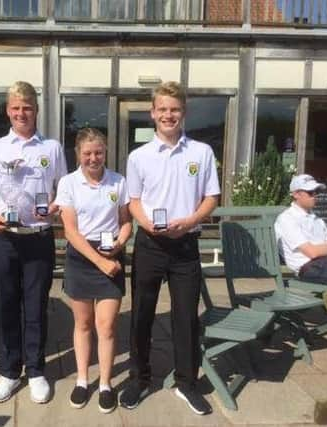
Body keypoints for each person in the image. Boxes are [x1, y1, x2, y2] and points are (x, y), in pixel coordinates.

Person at [121, 81, 219, 415]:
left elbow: (212, 198)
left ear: (183, 113)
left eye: (174, 109)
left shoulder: (201, 153)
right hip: (149, 243)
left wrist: (190, 221)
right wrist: (145, 223)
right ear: (152, 113)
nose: (168, 115)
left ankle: (186, 383)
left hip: (185, 245)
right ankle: (139, 379)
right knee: (141, 316)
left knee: (185, 317)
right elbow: (133, 201)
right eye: (162, 109)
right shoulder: (139, 156)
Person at [0, 81, 67, 404]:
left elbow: (64, 189)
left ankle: (36, 371)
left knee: (36, 308)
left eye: (27, 107)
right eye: (15, 108)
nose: (21, 113)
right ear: (7, 111)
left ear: (36, 110)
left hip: (39, 239)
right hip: (3, 239)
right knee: (5, 306)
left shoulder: (52, 149)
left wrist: (55, 207)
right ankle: (9, 371)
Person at [55, 128, 132, 413]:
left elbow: (126, 223)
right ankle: (83, 380)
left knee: (107, 326)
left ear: (105, 151)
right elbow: (70, 232)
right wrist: (100, 261)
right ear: (78, 154)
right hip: (82, 257)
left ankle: (106, 384)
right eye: (87, 153)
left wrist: (119, 244)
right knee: (83, 324)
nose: (93, 158)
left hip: (111, 254)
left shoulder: (118, 182)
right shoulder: (68, 183)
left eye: (98, 152)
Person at [275, 174, 327, 284]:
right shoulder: (287, 219)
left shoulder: (316, 219)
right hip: (309, 268)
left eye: (317, 192)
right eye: (310, 192)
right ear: (296, 194)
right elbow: (312, 252)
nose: (315, 195)